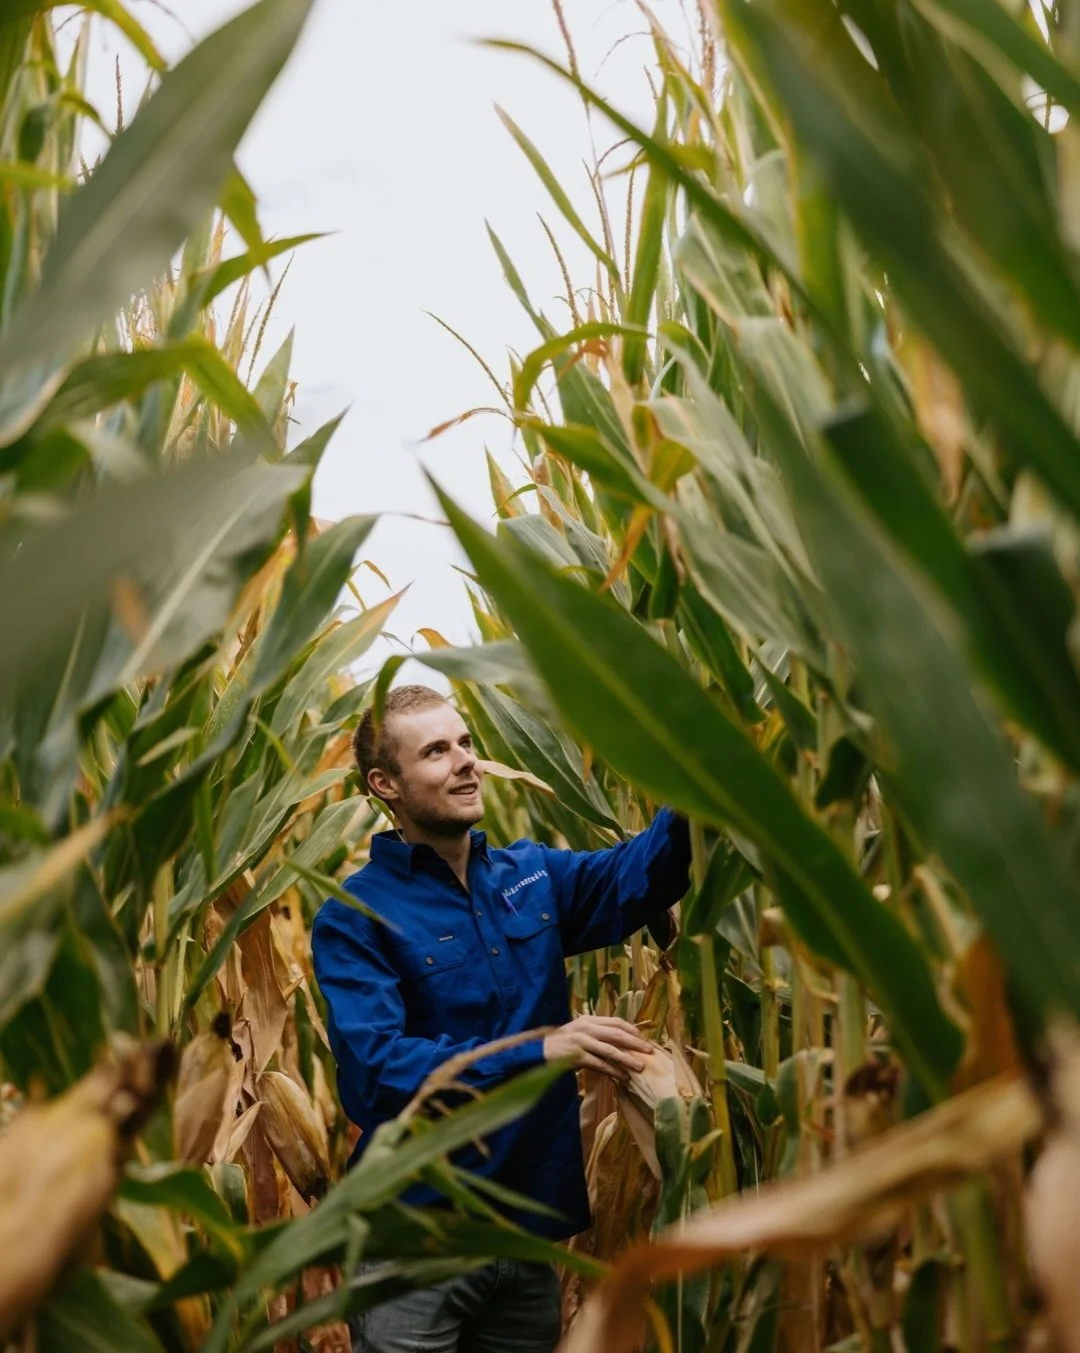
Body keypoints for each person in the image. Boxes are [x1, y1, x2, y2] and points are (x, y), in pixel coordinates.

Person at [311, 685, 691, 1353]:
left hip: (526, 1235)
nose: (466, 762)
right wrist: (539, 1050)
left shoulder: (529, 875)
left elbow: (641, 874)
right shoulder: (354, 913)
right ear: (385, 784)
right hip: (416, 1244)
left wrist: (698, 783)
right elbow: (378, 1071)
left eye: (465, 743)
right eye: (436, 751)